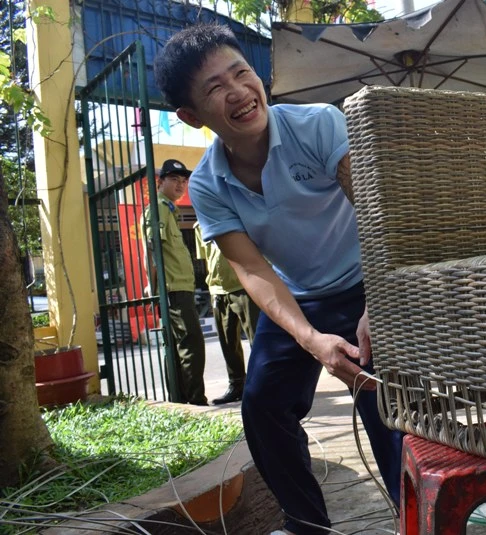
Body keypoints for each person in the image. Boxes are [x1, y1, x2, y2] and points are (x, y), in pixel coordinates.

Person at [154, 23, 403, 535]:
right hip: (299, 296)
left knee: (381, 396)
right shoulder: (208, 184)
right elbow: (251, 269)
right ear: (191, 116)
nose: (239, 92)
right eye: (215, 88)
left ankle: (418, 513)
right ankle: (307, 525)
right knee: (262, 404)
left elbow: (378, 216)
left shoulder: (319, 125)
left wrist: (380, 303)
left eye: (241, 73)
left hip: (367, 281)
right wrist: (311, 340)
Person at [142, 159, 207, 406]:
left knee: (181, 344)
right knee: (191, 343)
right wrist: (153, 286)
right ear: (160, 182)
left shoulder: (169, 209)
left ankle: (180, 398)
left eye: (183, 181)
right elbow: (152, 250)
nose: (180, 185)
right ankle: (195, 399)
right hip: (173, 289)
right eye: (174, 180)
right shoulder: (158, 208)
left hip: (179, 288)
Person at [194, 222, 260, 404]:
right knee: (227, 341)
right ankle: (237, 384)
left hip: (243, 284)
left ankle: (262, 384)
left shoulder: (234, 213)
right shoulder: (199, 226)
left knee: (257, 339)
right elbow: (207, 259)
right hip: (218, 289)